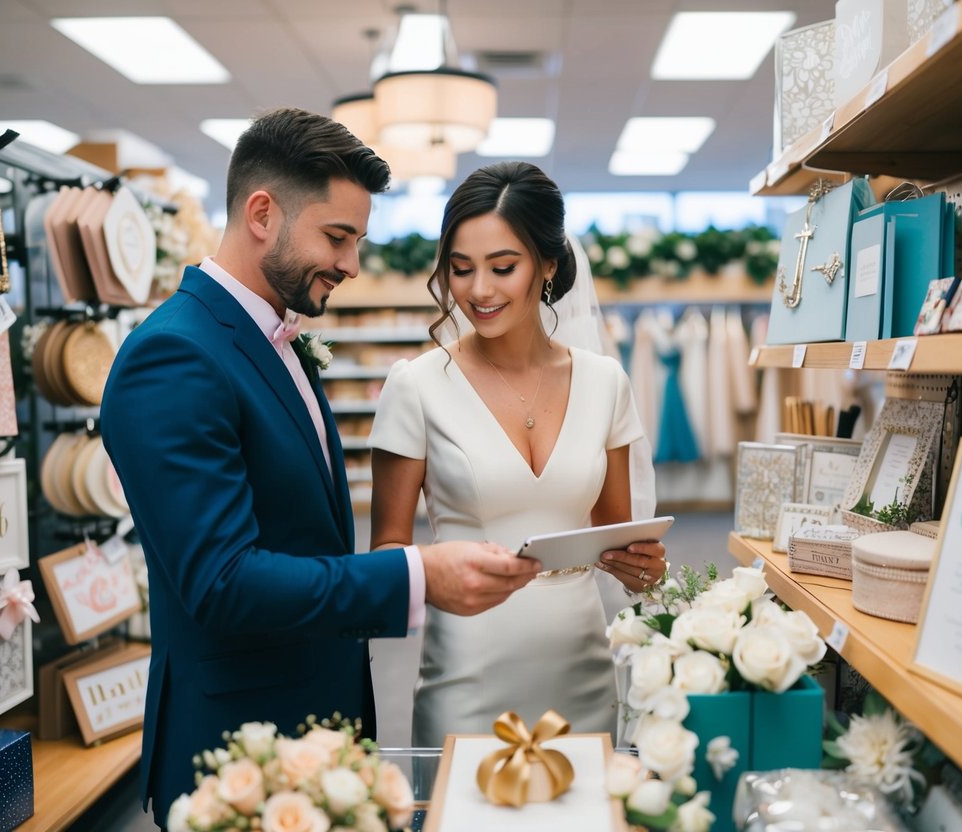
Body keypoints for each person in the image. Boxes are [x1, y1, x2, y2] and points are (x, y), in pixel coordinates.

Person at [100, 110, 542, 825]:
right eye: (337, 237)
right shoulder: (174, 356)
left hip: (312, 728)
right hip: (237, 751)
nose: (351, 265)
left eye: (357, 241)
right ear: (262, 213)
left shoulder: (273, 335)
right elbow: (221, 582)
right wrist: (416, 574)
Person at [369, 161, 667, 747]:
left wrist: (644, 567)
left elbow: (619, 540)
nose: (479, 291)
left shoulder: (606, 382)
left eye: (502, 268)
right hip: (466, 671)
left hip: (581, 664)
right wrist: (432, 576)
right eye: (461, 270)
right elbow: (387, 553)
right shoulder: (417, 385)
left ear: (548, 266)